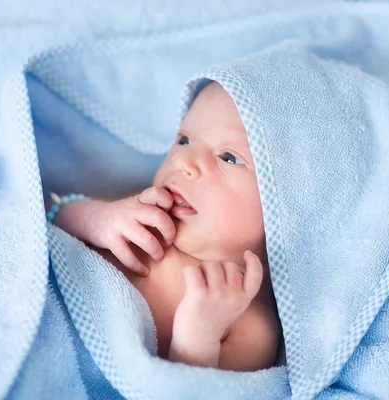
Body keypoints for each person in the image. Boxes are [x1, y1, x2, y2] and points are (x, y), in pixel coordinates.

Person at [48, 82, 282, 372]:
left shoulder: (247, 322)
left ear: (287, 210)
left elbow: (186, 390)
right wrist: (95, 218)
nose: (182, 160)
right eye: (184, 140)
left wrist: (196, 339)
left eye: (228, 158)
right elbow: (47, 214)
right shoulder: (144, 211)